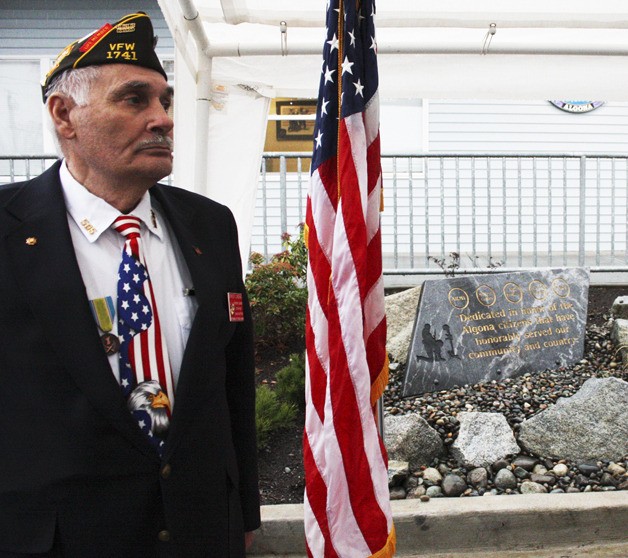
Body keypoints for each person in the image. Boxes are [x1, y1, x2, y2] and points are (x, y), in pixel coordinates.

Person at [0, 11, 260, 558]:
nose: (163, 119)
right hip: (61, 538)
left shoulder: (210, 225)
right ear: (64, 115)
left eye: (165, 101)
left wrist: (246, 512)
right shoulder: (9, 229)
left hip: (201, 532)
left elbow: (233, 383)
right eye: (134, 99)